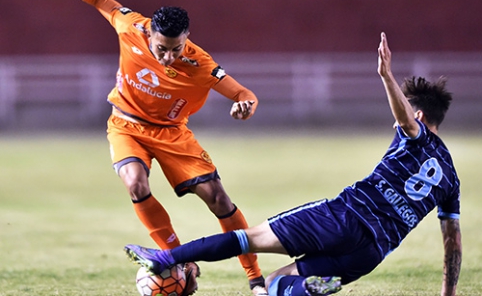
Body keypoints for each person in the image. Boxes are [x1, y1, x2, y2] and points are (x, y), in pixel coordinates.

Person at [123, 32, 462, 296]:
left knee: (247, 238)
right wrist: (448, 293)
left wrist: (387, 75)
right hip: (372, 252)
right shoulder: (450, 181)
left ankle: (166, 258)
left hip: (342, 218)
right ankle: (306, 289)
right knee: (276, 285)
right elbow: (452, 242)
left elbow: (404, 121)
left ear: (418, 114)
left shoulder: (414, 134)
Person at [33, 0, 267, 295]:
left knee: (218, 199)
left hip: (172, 133)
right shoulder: (130, 26)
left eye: (177, 48)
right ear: (149, 36)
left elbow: (244, 94)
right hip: (126, 124)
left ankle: (255, 278)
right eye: (162, 49)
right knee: (134, 183)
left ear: (187, 39)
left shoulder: (200, 64)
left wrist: (245, 107)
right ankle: (178, 259)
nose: (170, 56)